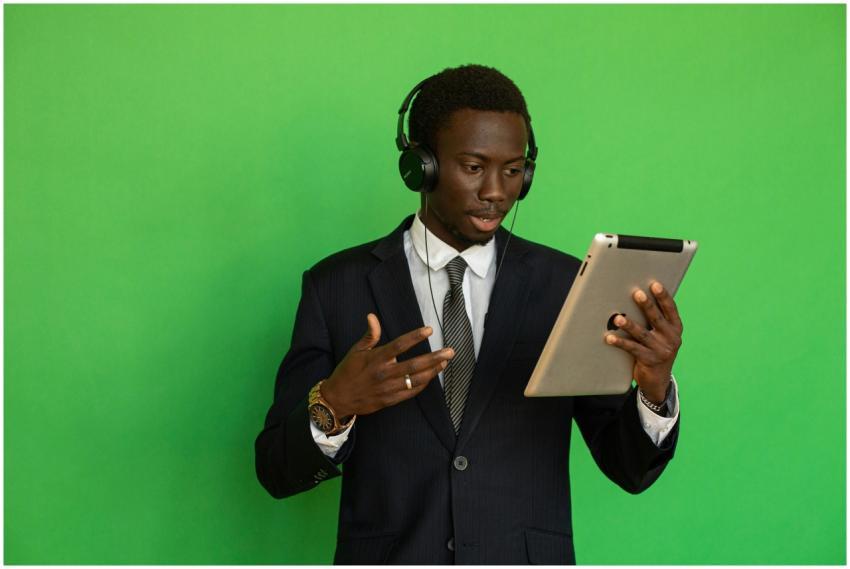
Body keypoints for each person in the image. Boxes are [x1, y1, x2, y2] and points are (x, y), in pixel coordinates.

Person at [255, 64, 683, 564]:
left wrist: (654, 389)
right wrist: (334, 403)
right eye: (474, 167)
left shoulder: (567, 286)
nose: (496, 191)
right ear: (421, 166)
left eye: (513, 169)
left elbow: (629, 467)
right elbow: (275, 472)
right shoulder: (336, 286)